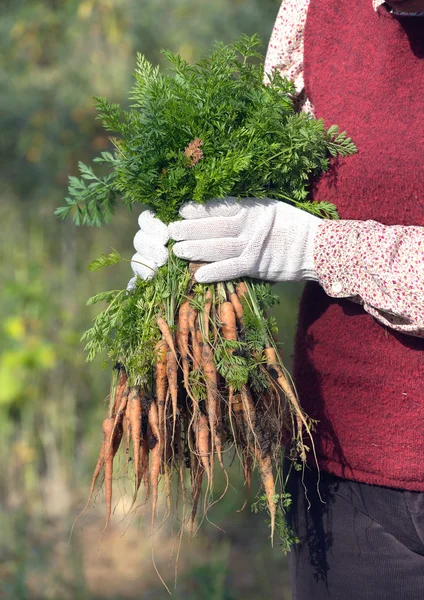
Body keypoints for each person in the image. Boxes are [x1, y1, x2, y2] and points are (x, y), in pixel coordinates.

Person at [128, 2, 424, 598]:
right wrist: (191, 229)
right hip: (342, 478)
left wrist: (318, 247)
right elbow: (264, 163)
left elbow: (303, 239)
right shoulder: (315, 8)